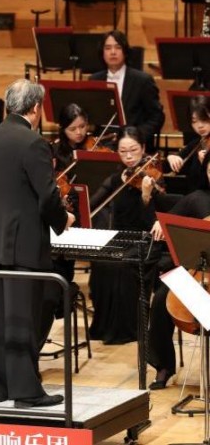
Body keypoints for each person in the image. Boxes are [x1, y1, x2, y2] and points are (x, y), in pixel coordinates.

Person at [0, 79, 74, 408]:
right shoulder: (33, 143)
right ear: (35, 108)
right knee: (22, 318)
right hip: (22, 243)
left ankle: (0, 387)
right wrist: (63, 220)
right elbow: (47, 196)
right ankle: (26, 391)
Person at [88, 127, 166, 345]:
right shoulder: (116, 179)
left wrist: (146, 195)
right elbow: (92, 204)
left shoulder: (154, 178)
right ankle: (104, 327)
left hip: (144, 239)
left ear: (143, 148)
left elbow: (152, 219)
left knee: (121, 266)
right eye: (123, 151)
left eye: (134, 150)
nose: (129, 156)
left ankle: (126, 329)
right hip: (120, 237)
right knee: (101, 261)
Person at [148, 155, 210, 390]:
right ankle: (163, 365)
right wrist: (160, 223)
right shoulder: (197, 198)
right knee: (161, 299)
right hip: (197, 271)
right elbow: (168, 219)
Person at [89, 31, 164, 153]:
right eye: (108, 48)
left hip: (132, 145)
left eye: (118, 47)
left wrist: (137, 136)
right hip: (102, 144)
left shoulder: (142, 80)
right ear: (102, 53)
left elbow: (157, 117)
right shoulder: (94, 80)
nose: (113, 52)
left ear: (125, 51)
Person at [164, 95, 210, 194]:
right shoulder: (197, 143)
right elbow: (173, 167)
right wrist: (171, 158)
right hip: (193, 197)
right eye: (194, 121)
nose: (200, 126)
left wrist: (205, 165)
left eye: (204, 120)